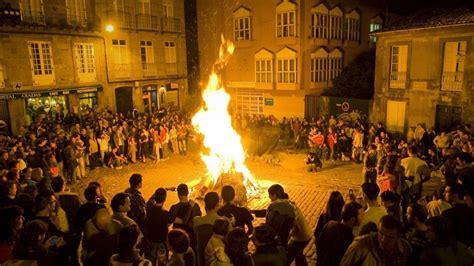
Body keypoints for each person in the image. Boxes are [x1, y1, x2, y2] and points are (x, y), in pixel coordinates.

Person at [340, 215, 412, 266]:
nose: (383, 240)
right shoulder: (362, 244)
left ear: (399, 236)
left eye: (390, 237)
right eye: (381, 233)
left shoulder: (405, 248)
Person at [316, 202, 363, 266]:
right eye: (361, 215)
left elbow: (318, 243)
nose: (363, 216)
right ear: (352, 219)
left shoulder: (330, 224)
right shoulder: (349, 240)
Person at [441, 183, 474, 248]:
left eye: (447, 191)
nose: (443, 194)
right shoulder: (472, 211)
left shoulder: (447, 214)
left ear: (455, 195)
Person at [145, 188, 170, 266]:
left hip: (150, 242)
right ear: (165, 199)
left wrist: (165, 189)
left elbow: (150, 200)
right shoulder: (166, 213)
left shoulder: (148, 209)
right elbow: (169, 223)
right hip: (161, 243)